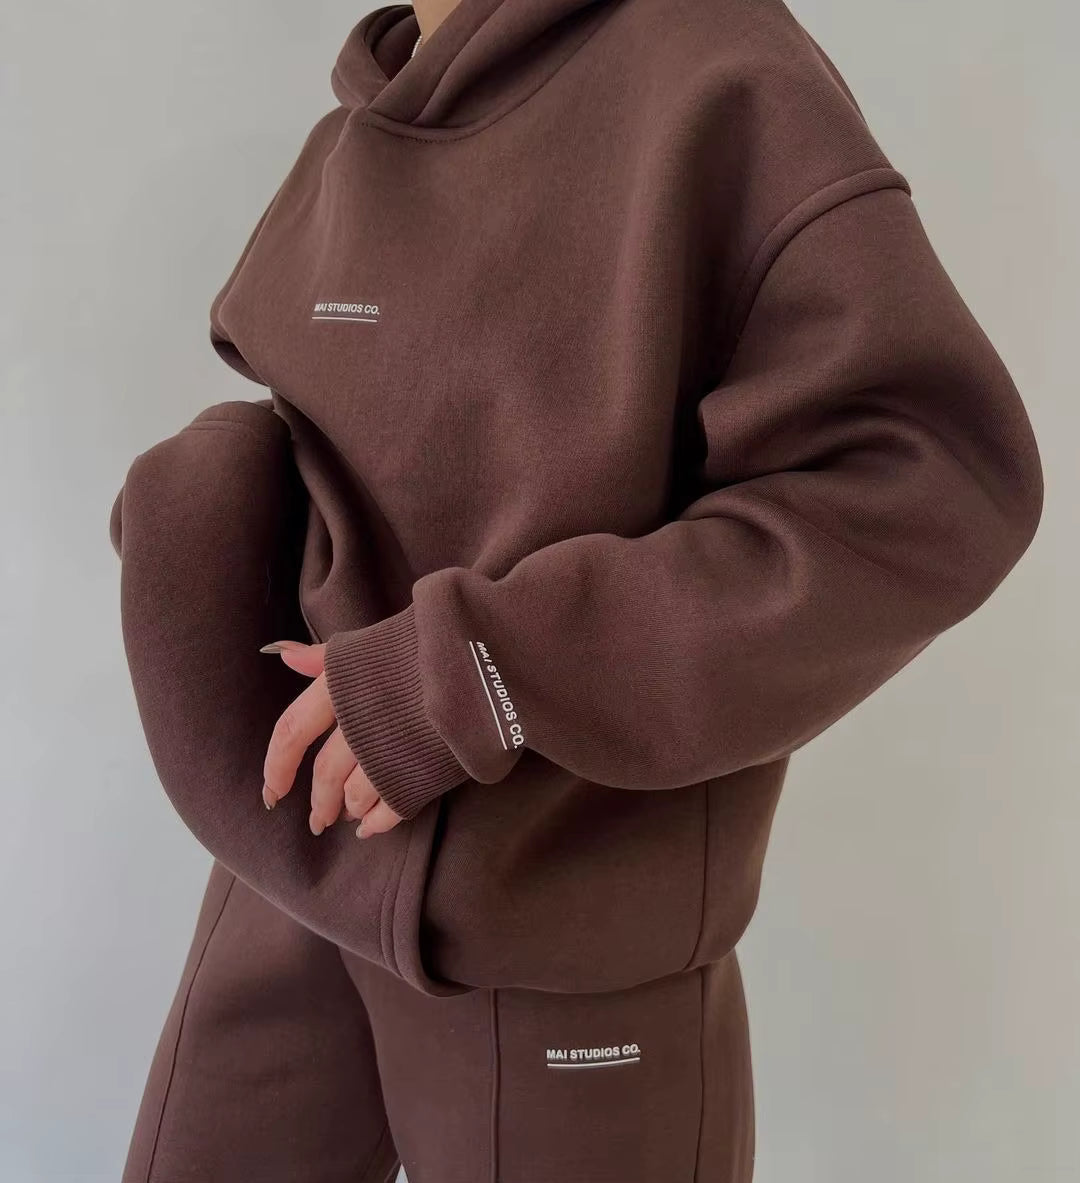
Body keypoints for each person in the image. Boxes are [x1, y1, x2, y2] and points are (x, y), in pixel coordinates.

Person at [109, 0, 1044, 1179]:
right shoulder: (357, 127)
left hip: (559, 922)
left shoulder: (715, 66)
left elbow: (928, 482)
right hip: (289, 857)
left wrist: (478, 671)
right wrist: (199, 516)